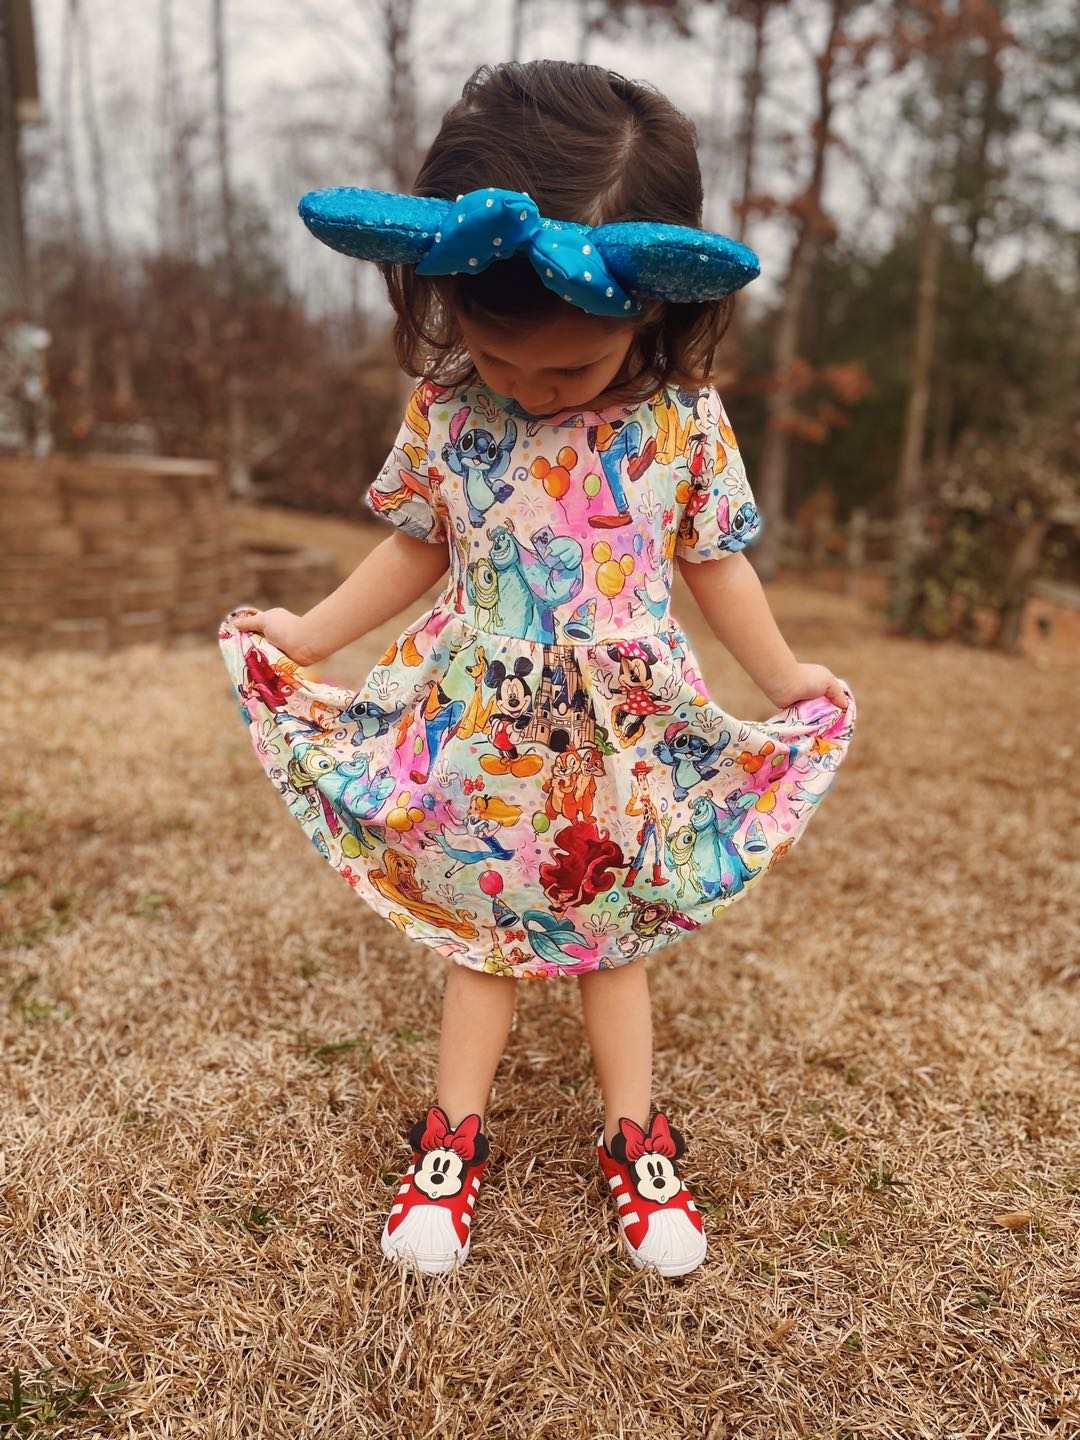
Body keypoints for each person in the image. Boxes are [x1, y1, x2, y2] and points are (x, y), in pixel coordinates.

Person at [217, 59, 857, 1279]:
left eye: (565, 370)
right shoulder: (449, 407)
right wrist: (307, 635)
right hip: (484, 722)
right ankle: (451, 1137)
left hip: (623, 731)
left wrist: (782, 677)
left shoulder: (679, 423)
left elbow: (716, 563)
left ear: (653, 312)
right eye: (498, 354)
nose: (527, 388)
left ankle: (635, 1136)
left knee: (614, 939)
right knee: (484, 933)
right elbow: (416, 545)